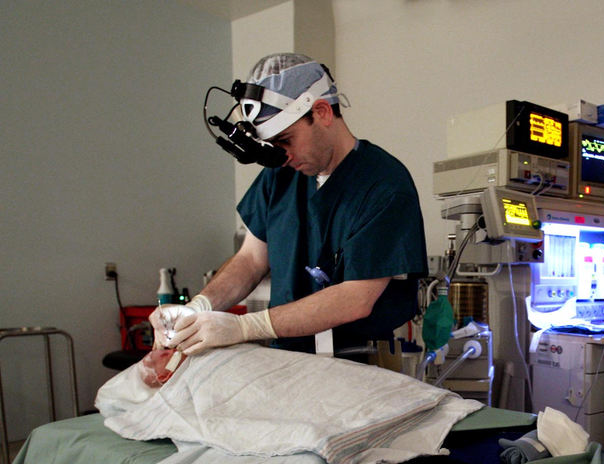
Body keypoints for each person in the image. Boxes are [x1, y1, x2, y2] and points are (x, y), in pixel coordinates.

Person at [151, 53, 427, 359]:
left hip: (360, 362)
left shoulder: (384, 184)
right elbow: (251, 261)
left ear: (321, 112)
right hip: (288, 359)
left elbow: (355, 299)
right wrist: (197, 308)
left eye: (286, 140)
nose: (283, 157)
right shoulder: (279, 177)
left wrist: (244, 327)